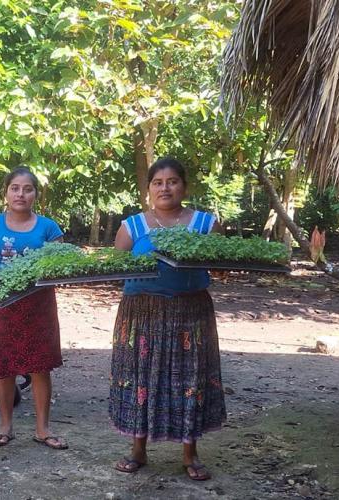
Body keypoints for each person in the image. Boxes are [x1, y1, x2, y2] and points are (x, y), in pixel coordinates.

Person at [110, 157, 226, 481]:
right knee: (140, 379)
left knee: (190, 380)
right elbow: (115, 267)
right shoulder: (132, 226)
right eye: (158, 182)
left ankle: (190, 453)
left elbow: (221, 267)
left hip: (191, 313)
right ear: (148, 189)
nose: (165, 187)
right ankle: (138, 449)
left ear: (184, 186)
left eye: (172, 181)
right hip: (141, 314)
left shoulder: (205, 224)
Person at [0, 166, 68, 450]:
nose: (20, 194)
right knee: (4, 366)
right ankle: (5, 426)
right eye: (15, 188)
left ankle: (42, 429)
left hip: (39, 306)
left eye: (27, 189)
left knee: (40, 366)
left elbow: (62, 263)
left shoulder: (49, 227)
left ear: (36, 194)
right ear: (6, 193)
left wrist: (45, 273)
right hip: (3, 304)